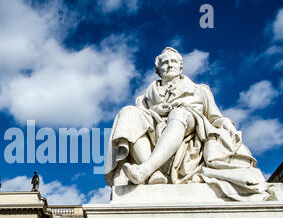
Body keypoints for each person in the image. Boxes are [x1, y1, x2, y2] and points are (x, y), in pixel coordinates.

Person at [105, 47, 276, 201]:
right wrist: (156, 110)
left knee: (179, 113)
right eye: (164, 63)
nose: (169, 65)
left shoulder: (199, 90)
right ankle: (153, 173)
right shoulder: (144, 98)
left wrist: (226, 124)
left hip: (188, 133)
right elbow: (134, 125)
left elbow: (215, 117)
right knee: (128, 112)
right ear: (158, 70)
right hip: (153, 134)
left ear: (180, 67)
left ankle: (145, 170)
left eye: (173, 62)